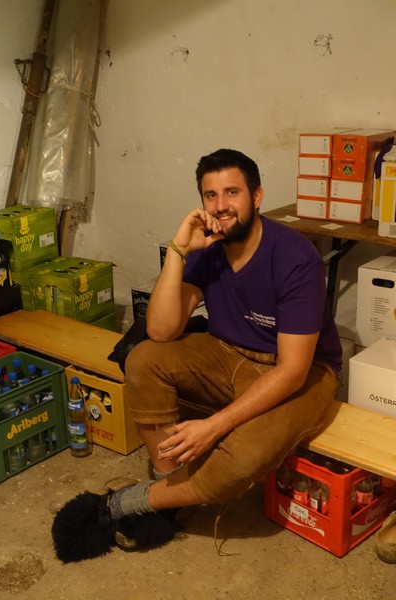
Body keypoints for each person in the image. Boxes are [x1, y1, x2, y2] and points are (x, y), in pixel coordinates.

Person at [100, 148, 343, 546]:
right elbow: (160, 330)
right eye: (210, 195)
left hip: (302, 371)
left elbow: (292, 370)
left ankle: (143, 501)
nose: (221, 206)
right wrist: (179, 249)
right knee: (143, 359)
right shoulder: (209, 247)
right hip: (228, 351)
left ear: (256, 197)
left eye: (232, 192)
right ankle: (172, 488)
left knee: (244, 456)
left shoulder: (295, 257)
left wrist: (214, 426)